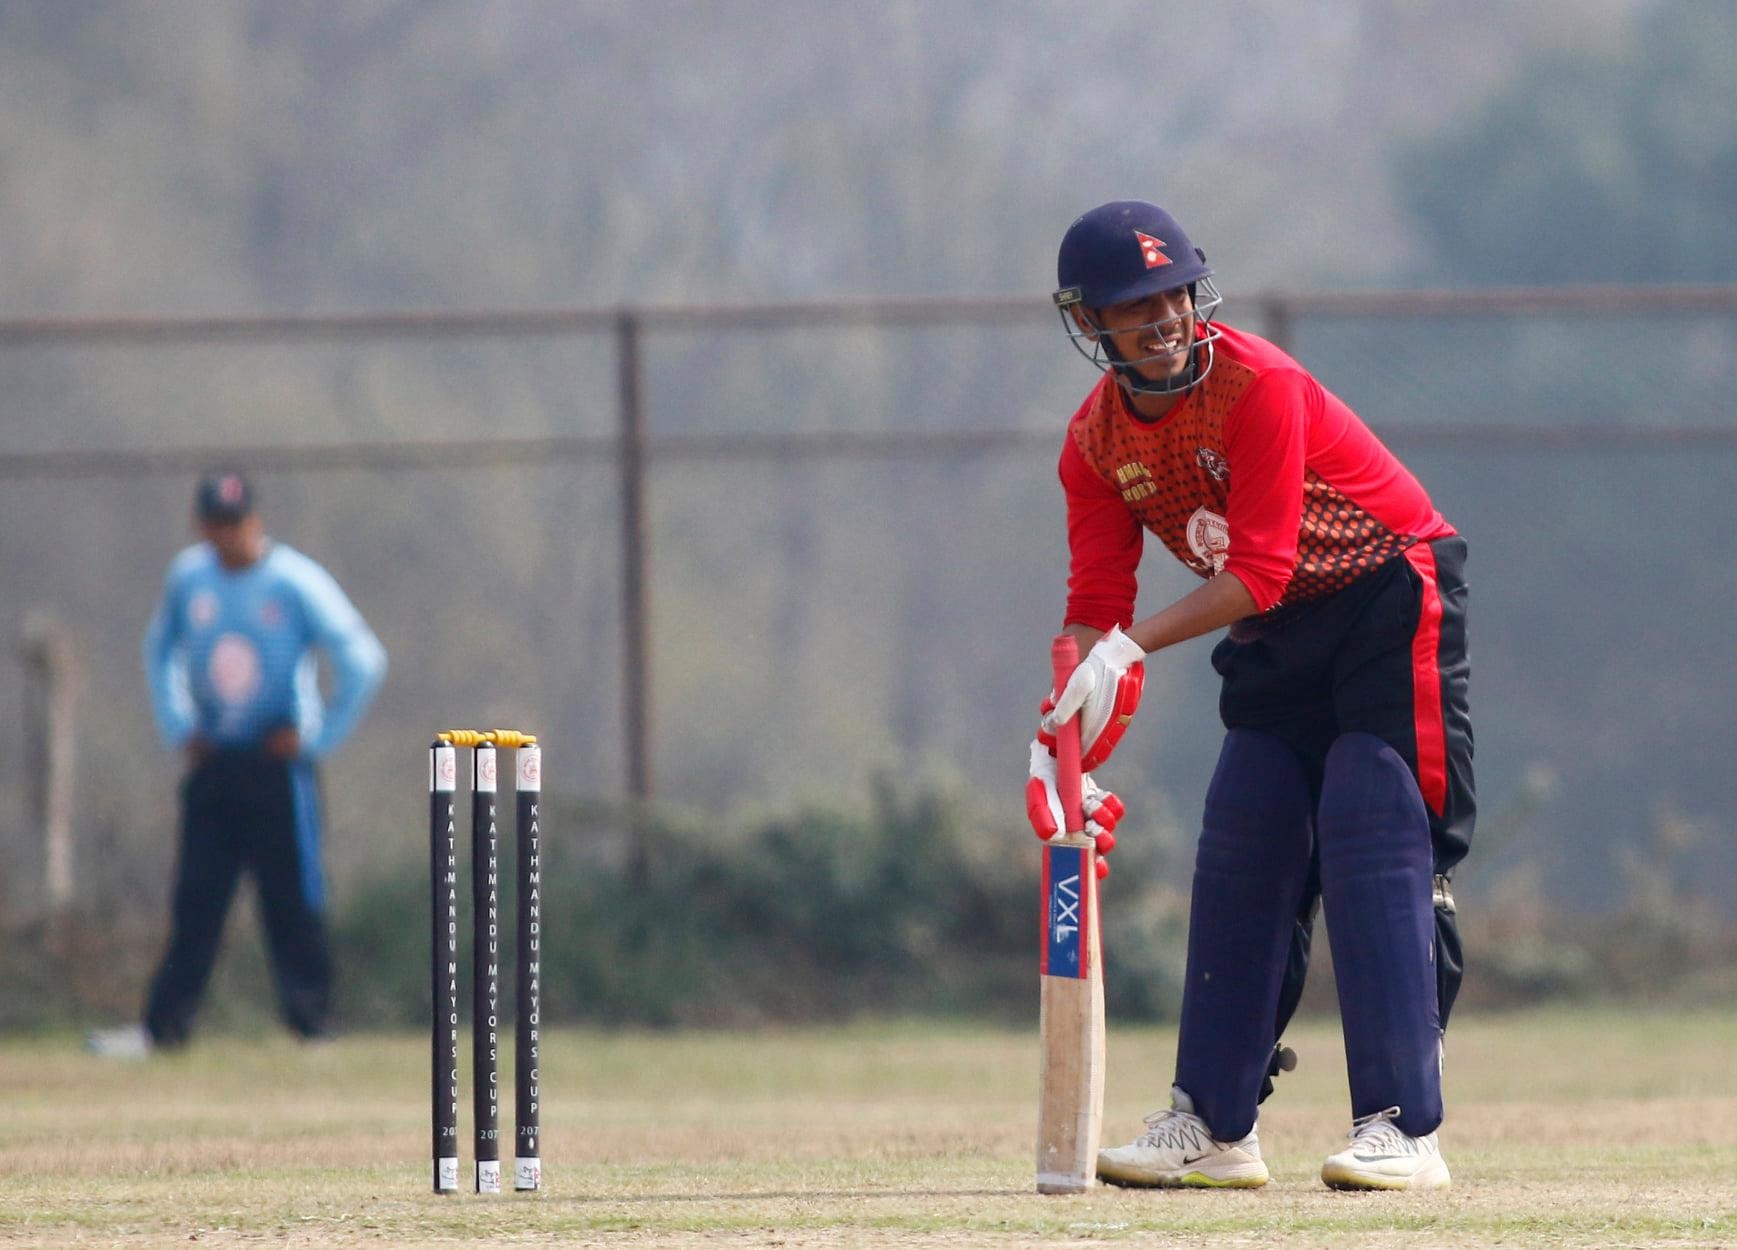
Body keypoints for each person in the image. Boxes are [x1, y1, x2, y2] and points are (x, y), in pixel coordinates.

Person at [1025, 201, 1473, 1191]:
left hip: (1387, 591)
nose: (1163, 319)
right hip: (1277, 630)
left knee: (1368, 815)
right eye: (1132, 307)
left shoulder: (1257, 384)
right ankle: (1215, 1123)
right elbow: (1098, 603)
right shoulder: (1093, 443)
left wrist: (1130, 648)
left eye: (1171, 294)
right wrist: (1063, 725)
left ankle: (1403, 1127)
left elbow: (1260, 570)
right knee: (1245, 835)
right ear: (1090, 324)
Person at [88, 472, 386, 1056]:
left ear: (256, 522)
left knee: (292, 900)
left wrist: (316, 738)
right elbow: (160, 652)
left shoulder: (294, 581)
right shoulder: (189, 577)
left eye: (236, 525)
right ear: (203, 526)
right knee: (196, 900)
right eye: (215, 526)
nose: (227, 537)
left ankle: (314, 1028)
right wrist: (179, 727)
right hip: (214, 762)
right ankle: (164, 1030)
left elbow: (364, 660)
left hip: (278, 769)